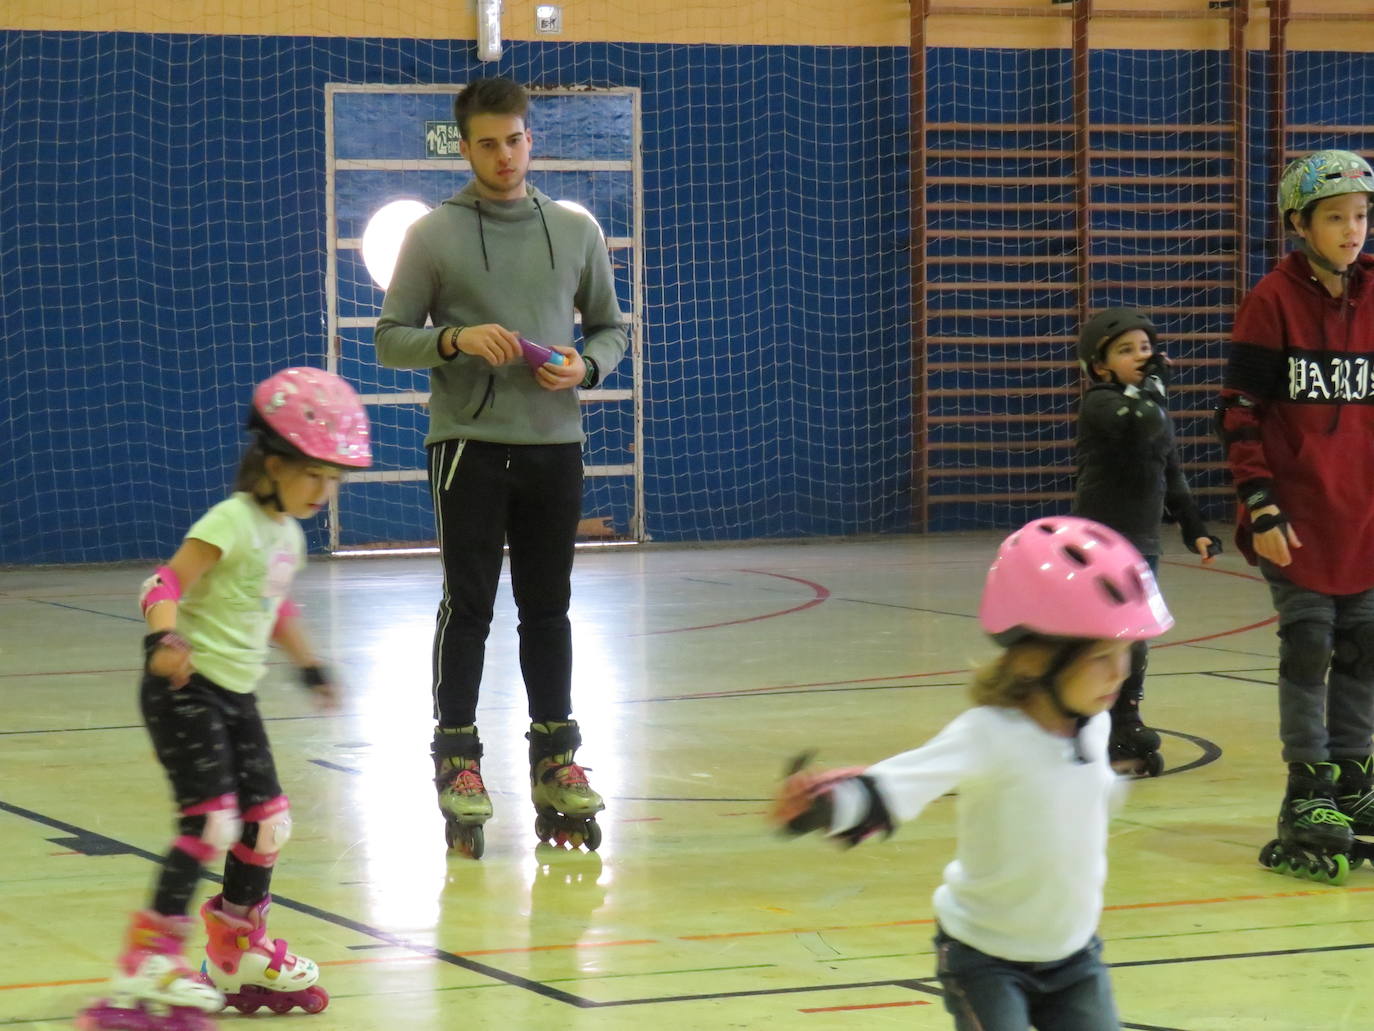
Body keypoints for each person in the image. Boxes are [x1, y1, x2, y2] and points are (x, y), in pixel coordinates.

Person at [772, 516, 1173, 1031]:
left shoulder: (1094, 727)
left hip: (1075, 956)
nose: (1121, 673)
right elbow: (898, 787)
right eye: (1101, 656)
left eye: (1127, 653)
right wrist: (824, 806)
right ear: (1037, 659)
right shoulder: (989, 734)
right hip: (986, 959)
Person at [374, 77, 627, 857]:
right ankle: (458, 756)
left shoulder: (576, 230)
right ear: (465, 145)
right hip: (468, 448)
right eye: (488, 142)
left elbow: (612, 329)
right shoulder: (434, 236)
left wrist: (585, 367)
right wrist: (451, 341)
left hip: (556, 446)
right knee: (471, 604)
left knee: (548, 608)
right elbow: (390, 337)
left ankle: (555, 753)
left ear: (529, 139)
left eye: (514, 139)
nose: (505, 154)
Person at [76, 368, 372, 1031]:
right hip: (184, 688)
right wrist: (165, 639)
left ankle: (236, 952)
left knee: (267, 823)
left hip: (235, 696)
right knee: (211, 820)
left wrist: (311, 665)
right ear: (270, 460)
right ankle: (148, 962)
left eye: (333, 480)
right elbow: (164, 581)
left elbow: (274, 606)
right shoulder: (230, 519)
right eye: (312, 475)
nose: (323, 492)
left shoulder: (288, 535)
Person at [1217, 148, 1374, 884]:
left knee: (1364, 646)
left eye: (1362, 216)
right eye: (1337, 217)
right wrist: (1259, 502)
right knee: (1309, 644)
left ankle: (1353, 775)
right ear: (1299, 224)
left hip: (1362, 513)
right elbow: (1240, 412)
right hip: (1296, 511)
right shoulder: (1270, 300)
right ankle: (1307, 786)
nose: (1353, 230)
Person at [1073, 308, 1221, 776]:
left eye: (1145, 347)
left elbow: (1169, 468)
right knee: (1099, 636)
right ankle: (1083, 720)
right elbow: (1136, 424)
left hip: (1142, 541)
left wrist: (1194, 526)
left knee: (1135, 635)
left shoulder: (1151, 405)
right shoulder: (1099, 402)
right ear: (1100, 366)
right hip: (1101, 539)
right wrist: (1152, 389)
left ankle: (1125, 718)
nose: (1141, 356)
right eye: (1125, 350)